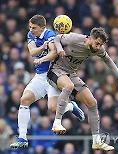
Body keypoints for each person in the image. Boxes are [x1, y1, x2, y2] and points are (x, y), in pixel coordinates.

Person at [35, 27, 118, 151]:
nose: (97, 47)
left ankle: (96, 141)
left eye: (100, 45)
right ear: (90, 38)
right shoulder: (75, 38)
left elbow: (108, 60)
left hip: (71, 74)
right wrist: (60, 48)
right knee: (68, 86)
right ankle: (57, 122)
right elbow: (57, 38)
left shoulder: (97, 49)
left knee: (92, 103)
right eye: (97, 43)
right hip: (56, 70)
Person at [10, 15, 85, 149]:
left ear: (42, 28)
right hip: (39, 76)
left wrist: (42, 59)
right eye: (30, 27)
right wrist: (40, 51)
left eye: (34, 28)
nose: (31, 30)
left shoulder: (50, 34)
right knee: (24, 99)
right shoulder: (30, 34)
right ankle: (22, 137)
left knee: (52, 108)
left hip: (52, 75)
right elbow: (32, 52)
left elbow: (54, 52)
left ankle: (71, 106)